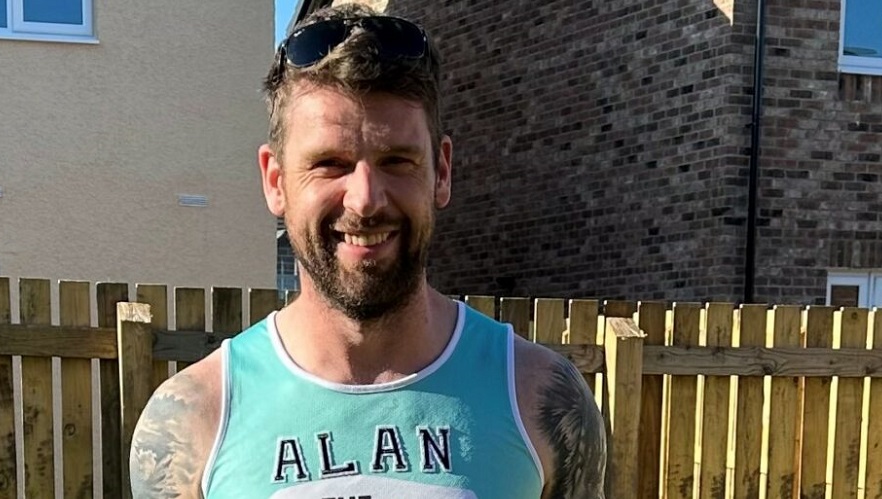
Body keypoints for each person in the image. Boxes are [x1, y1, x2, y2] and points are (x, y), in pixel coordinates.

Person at [129, 4, 606, 498]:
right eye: (330, 164)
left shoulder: (539, 399)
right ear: (275, 181)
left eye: (397, 160)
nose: (365, 200)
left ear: (441, 171)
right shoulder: (193, 422)